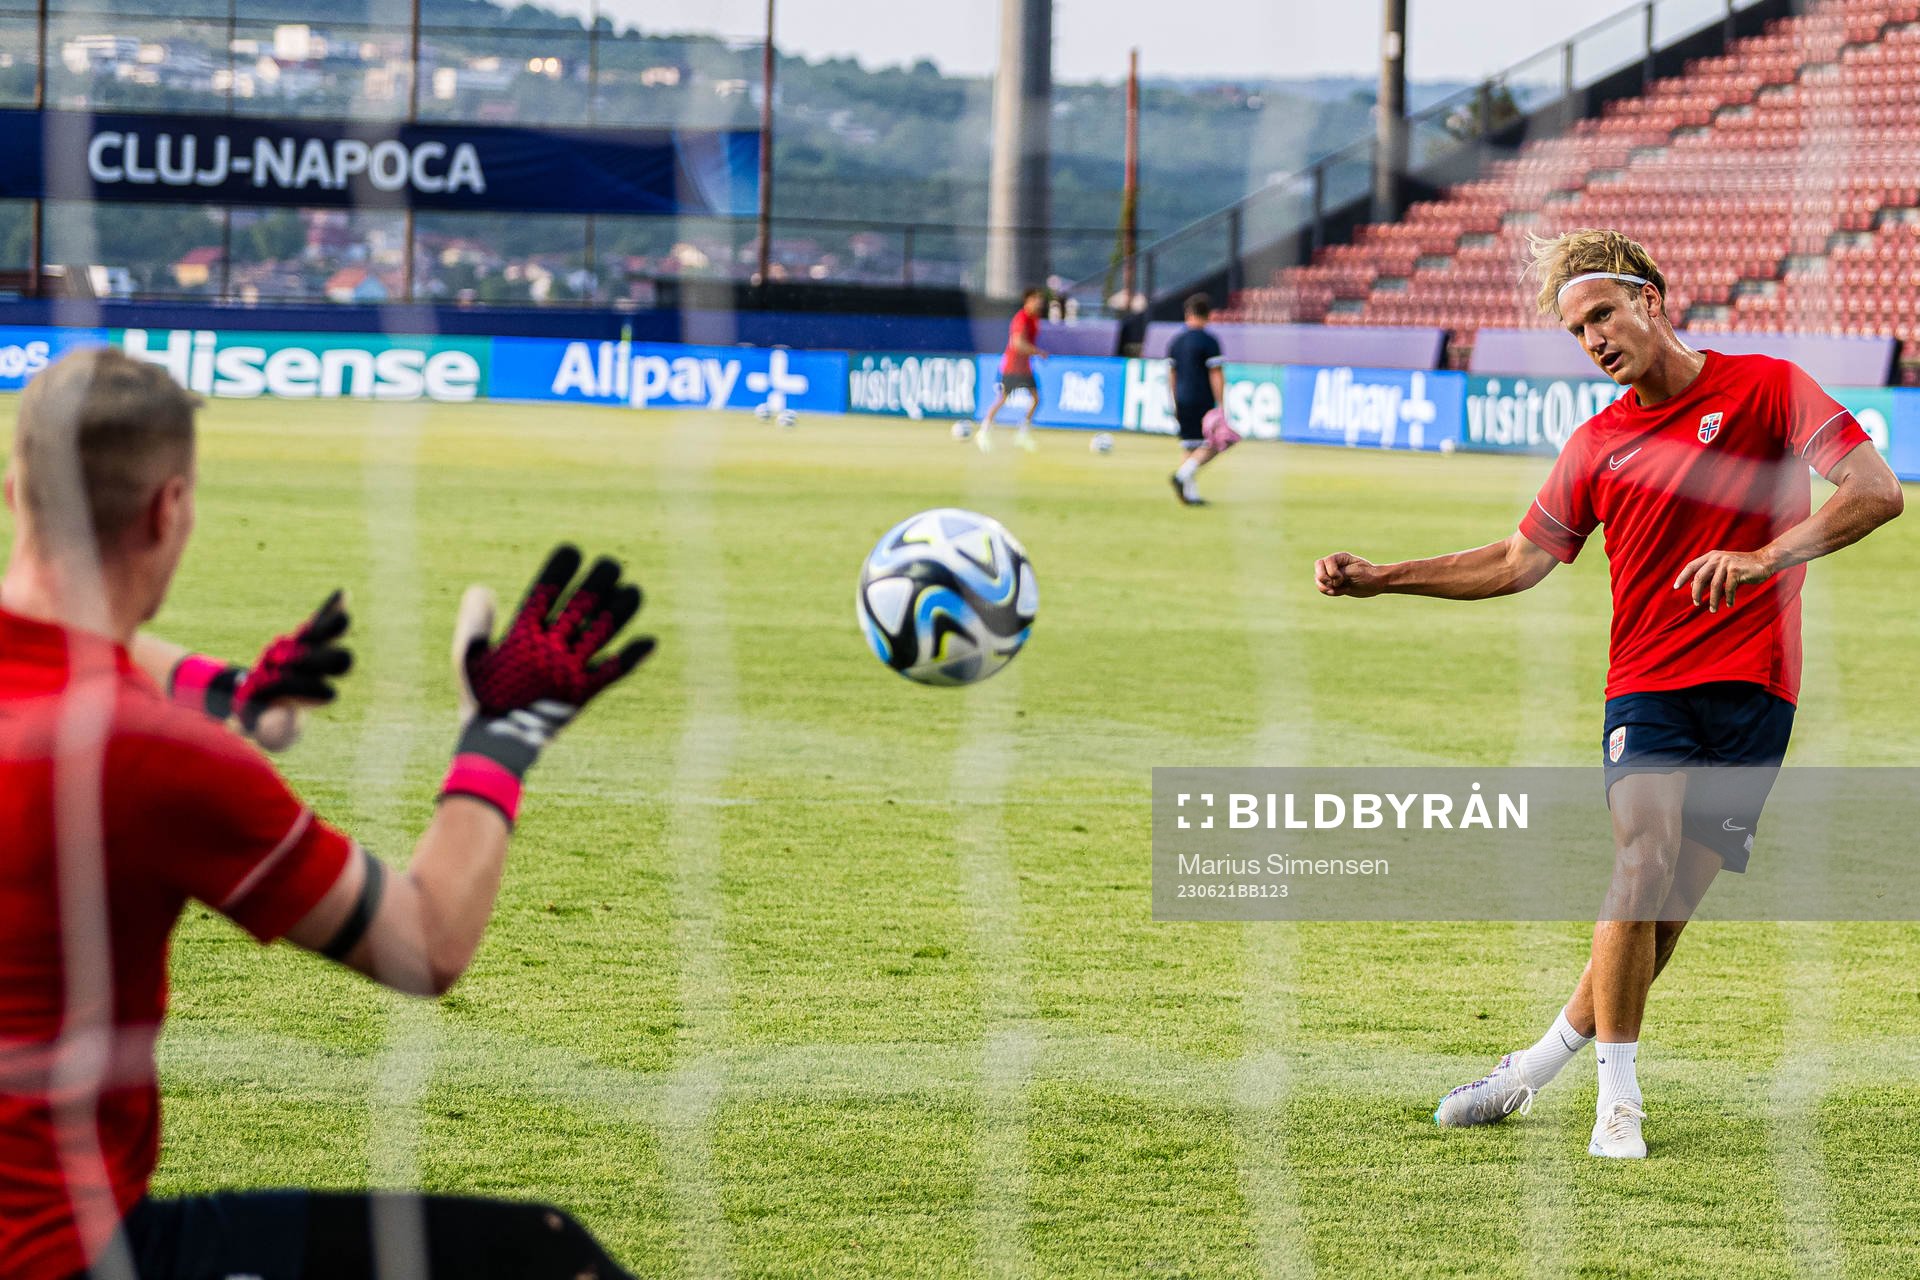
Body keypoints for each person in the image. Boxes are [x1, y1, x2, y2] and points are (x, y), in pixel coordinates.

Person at [0, 348, 654, 1278]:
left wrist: (219, 692)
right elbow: (425, 942)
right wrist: (501, 739)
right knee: (542, 1261)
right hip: (61, 1259)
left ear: (16, 490)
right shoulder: (154, 760)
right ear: (168, 509)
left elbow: (73, 651)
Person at [1313, 229, 1903, 1159]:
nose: (1592, 341)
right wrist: (1387, 577)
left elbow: (1875, 491)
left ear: (1653, 302)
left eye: (1601, 316)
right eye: (1576, 330)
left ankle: (1528, 1070)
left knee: (1662, 916)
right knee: (1642, 858)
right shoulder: (1597, 443)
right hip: (1648, 689)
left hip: (1759, 691)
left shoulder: (1769, 388)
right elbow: (1516, 562)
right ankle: (1616, 1104)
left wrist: (1762, 559)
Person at [1165, 293, 1230, 506]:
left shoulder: (1176, 341)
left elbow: (1171, 375)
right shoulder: (1209, 341)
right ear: (1208, 315)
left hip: (1181, 398)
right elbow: (1215, 373)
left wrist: (1173, 400)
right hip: (1201, 398)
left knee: (1189, 446)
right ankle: (1182, 476)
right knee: (1219, 441)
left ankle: (1190, 495)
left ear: (1188, 314)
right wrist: (1220, 404)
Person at [977, 286, 1047, 453]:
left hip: (1025, 367)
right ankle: (983, 431)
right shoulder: (1021, 318)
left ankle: (1022, 433)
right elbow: (1017, 344)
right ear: (1027, 301)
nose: (1039, 303)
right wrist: (1038, 352)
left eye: (1040, 300)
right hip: (1012, 366)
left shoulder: (1035, 319)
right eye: (1035, 300)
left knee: (1036, 398)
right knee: (1003, 398)